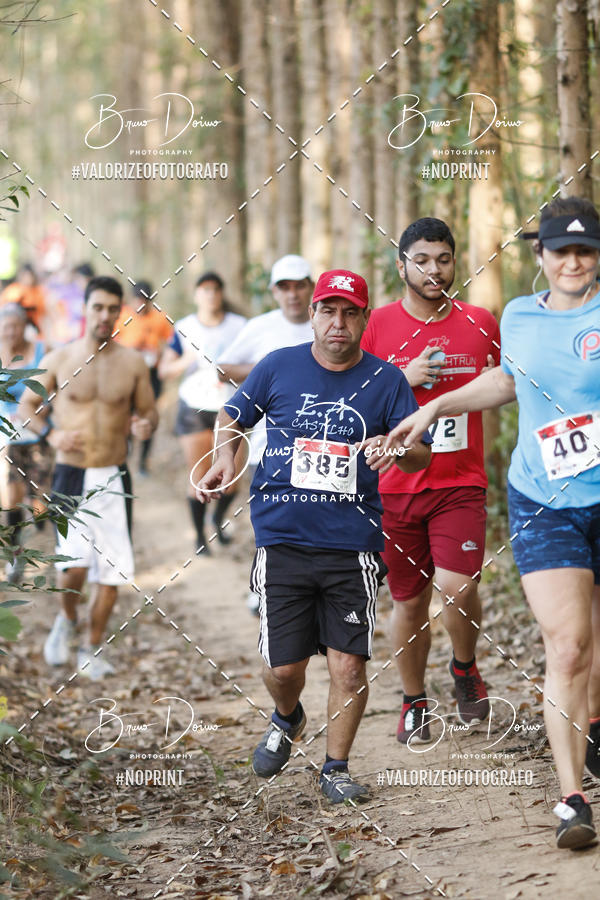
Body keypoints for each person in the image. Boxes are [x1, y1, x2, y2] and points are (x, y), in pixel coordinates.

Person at [385, 197, 600, 849]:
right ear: (540, 256)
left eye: (584, 249)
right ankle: (571, 800)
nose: (572, 260)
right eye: (559, 250)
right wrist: (434, 406)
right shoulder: (519, 317)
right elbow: (507, 381)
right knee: (567, 644)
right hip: (544, 501)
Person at [197, 269, 432, 803]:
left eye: (350, 312)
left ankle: (336, 767)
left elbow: (422, 451)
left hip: (352, 547)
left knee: (349, 667)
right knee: (283, 669)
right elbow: (231, 416)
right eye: (329, 311)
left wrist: (395, 447)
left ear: (364, 319)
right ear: (312, 314)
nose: (338, 323)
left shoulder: (387, 381)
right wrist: (223, 458)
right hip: (283, 541)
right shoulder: (278, 366)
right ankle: (289, 716)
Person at [361, 218, 500, 744]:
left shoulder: (481, 321)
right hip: (394, 487)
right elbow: (356, 399)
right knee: (409, 602)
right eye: (422, 259)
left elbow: (509, 380)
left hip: (460, 481)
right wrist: (403, 377)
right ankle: (414, 700)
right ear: (402, 266)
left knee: (457, 584)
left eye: (443, 259)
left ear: (454, 262)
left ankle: (464, 667)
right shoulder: (376, 325)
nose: (434, 269)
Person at [19, 275, 158, 680]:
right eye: (97, 307)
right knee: (74, 567)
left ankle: (91, 647)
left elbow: (149, 411)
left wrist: (145, 425)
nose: (104, 316)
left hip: (113, 474)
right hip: (71, 473)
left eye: (112, 309)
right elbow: (26, 404)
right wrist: (53, 433)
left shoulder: (132, 363)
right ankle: (66, 620)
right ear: (85, 309)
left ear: (120, 312)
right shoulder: (59, 359)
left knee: (113, 570)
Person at [217, 254, 314, 611]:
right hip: (267, 446)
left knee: (311, 520)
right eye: (284, 287)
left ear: (310, 288)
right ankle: (262, 587)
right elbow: (222, 368)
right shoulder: (261, 327)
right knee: (270, 521)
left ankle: (302, 590)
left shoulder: (327, 323)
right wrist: (269, 369)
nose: (292, 294)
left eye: (299, 285)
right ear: (274, 291)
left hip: (320, 447)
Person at [159, 272, 245, 550]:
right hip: (194, 407)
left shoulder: (239, 326)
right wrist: (184, 361)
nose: (210, 295)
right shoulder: (184, 328)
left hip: (231, 408)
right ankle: (199, 537)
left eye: (215, 290)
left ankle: (217, 521)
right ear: (196, 294)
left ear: (222, 294)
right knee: (199, 476)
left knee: (231, 481)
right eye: (204, 289)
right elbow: (164, 370)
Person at [0, 304, 52, 582]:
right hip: (5, 433)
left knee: (39, 497)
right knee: (10, 497)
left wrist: (45, 405)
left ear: (24, 327)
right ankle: (16, 556)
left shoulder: (42, 350)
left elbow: (56, 385)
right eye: (5, 327)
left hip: (36, 432)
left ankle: (40, 516)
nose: (10, 332)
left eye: (15, 326)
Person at [114, 280, 172, 475]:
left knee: (148, 414)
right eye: (137, 301)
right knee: (127, 414)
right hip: (126, 373)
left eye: (144, 302)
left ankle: (143, 462)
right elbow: (113, 343)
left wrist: (161, 356)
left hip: (151, 374)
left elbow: (170, 343)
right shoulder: (123, 316)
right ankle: (125, 454)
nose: (140, 306)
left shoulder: (160, 318)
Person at [1, 262, 47, 335]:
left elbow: (43, 313)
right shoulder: (13, 290)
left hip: (33, 328)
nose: (28, 279)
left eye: (30, 276)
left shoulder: (38, 292)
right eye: (26, 276)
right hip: (14, 328)